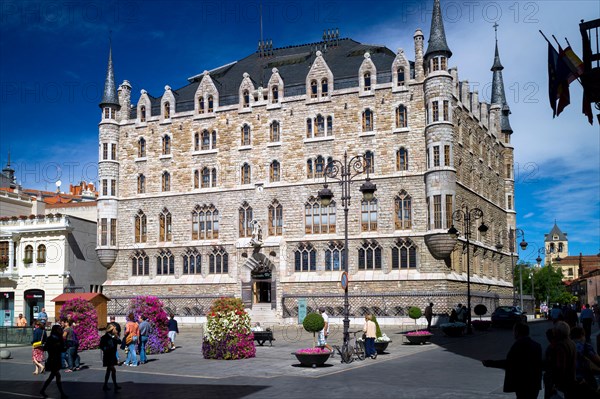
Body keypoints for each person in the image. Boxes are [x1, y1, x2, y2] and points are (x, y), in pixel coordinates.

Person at [482, 322, 542, 399]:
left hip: (522, 384)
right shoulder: (537, 346)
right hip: (534, 384)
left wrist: (490, 363)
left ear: (517, 332)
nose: (513, 333)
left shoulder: (518, 346)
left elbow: (509, 363)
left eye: (514, 331)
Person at [544, 321, 577, 398]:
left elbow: (560, 367)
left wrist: (555, 384)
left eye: (554, 330)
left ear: (558, 332)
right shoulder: (571, 342)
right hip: (571, 379)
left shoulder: (560, 346)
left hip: (562, 384)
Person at [570, 326, 600, 397]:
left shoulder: (569, 346)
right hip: (586, 380)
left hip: (572, 381)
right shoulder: (586, 346)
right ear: (582, 335)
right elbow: (597, 360)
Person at [40, 324, 68, 399]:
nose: (61, 330)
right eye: (59, 329)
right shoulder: (51, 338)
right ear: (55, 330)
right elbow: (46, 348)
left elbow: (62, 349)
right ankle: (62, 393)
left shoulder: (59, 338)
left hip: (57, 359)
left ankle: (43, 390)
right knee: (57, 376)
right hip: (52, 359)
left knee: (52, 376)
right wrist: (55, 346)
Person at [99, 324, 121, 392]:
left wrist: (116, 336)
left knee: (108, 371)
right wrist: (106, 348)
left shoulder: (113, 337)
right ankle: (115, 385)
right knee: (113, 370)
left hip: (112, 355)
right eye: (114, 329)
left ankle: (105, 385)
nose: (116, 330)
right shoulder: (104, 337)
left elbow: (119, 342)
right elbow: (101, 346)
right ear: (111, 330)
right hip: (108, 356)